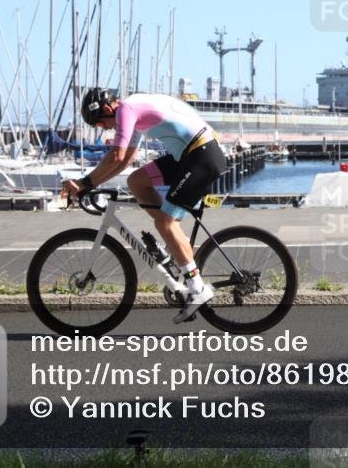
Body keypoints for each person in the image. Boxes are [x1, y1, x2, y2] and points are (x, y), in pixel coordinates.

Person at [63, 88, 227, 323]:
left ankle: (197, 288)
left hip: (201, 156)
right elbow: (126, 160)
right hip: (191, 154)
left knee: (165, 223)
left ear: (107, 110)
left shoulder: (126, 111)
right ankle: (171, 248)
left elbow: (116, 156)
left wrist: (84, 182)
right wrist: (90, 184)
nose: (104, 128)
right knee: (137, 181)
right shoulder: (133, 111)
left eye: (100, 124)